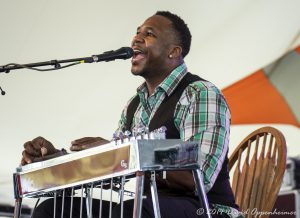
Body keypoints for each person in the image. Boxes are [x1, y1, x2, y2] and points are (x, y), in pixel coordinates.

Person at [21, 11, 242, 218]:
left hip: (207, 209)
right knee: (50, 211)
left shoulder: (199, 94)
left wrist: (119, 152)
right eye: (137, 32)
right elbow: (111, 172)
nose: (136, 39)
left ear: (173, 52)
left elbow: (198, 179)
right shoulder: (134, 105)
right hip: (147, 206)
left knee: (130, 211)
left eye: (149, 34)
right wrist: (54, 158)